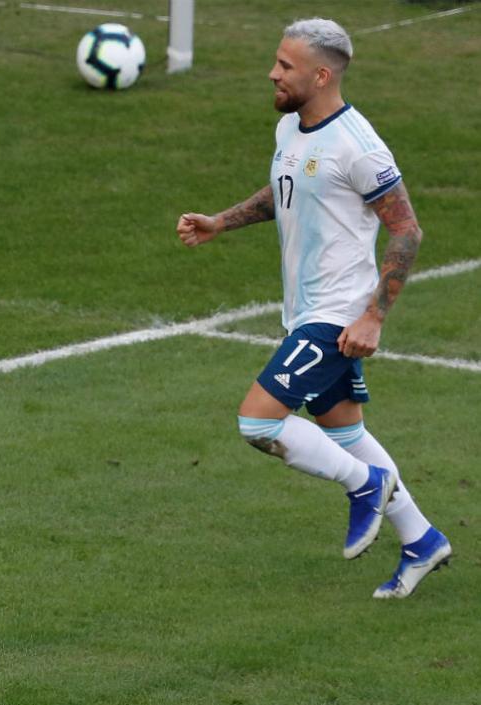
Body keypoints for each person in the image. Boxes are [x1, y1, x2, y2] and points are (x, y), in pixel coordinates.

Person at [176, 18, 450, 599]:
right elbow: (286, 190)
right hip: (305, 310)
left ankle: (365, 487)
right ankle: (423, 540)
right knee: (343, 429)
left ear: (321, 75)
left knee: (257, 421)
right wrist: (220, 222)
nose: (272, 73)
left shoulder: (358, 145)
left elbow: (407, 231)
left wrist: (373, 316)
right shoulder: (290, 129)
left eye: (285, 66)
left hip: (339, 312)